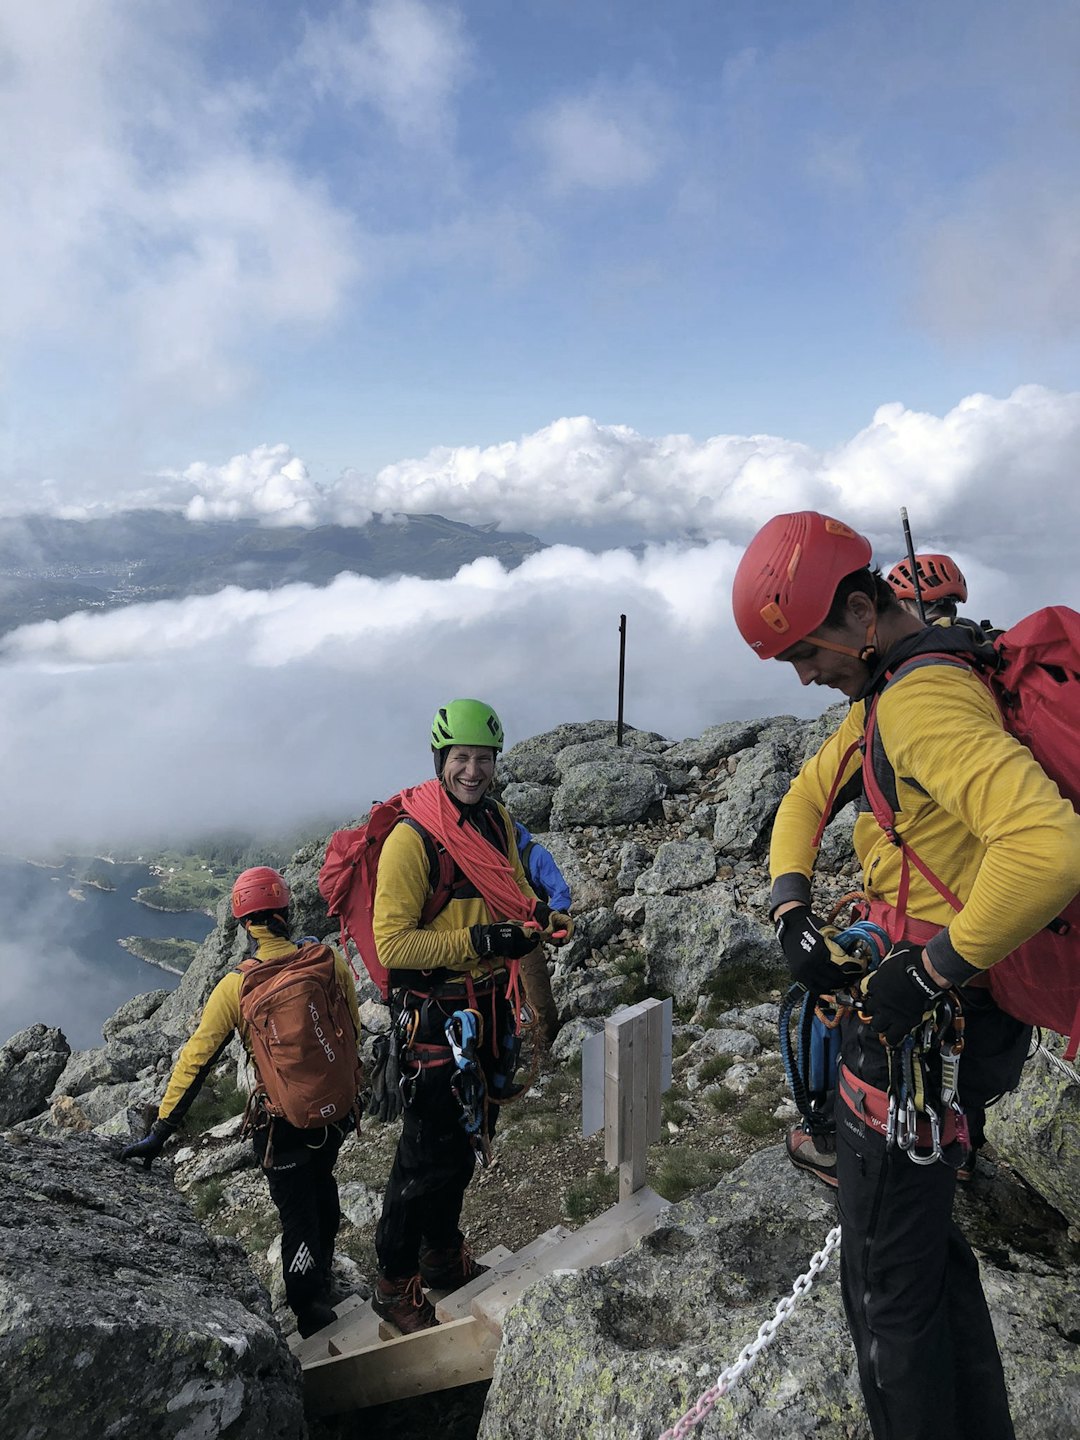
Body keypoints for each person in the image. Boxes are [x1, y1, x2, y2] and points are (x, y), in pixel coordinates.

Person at [732, 510, 1080, 1440]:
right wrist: (791, 907)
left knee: (886, 1289)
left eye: (805, 653)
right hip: (956, 1008)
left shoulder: (920, 704)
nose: (805, 676)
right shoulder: (895, 687)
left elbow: (1047, 851)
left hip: (939, 1022)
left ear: (858, 610)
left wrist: (923, 975)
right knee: (924, 1258)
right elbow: (808, 795)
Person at [370, 699, 571, 1334]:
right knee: (424, 1156)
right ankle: (393, 1282)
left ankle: (439, 1256)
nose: (473, 770)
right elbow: (392, 946)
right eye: (461, 758)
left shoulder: (495, 822)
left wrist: (538, 916)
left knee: (462, 1144)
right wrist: (481, 943)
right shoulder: (413, 840)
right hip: (435, 1021)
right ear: (440, 761)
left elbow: (510, 887)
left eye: (483, 759)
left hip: (483, 1012)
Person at [119, 866, 361, 1340]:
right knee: (324, 1195)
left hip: (281, 1124)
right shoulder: (328, 961)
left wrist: (161, 1131)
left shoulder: (237, 987)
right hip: (334, 1114)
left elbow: (196, 1059)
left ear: (243, 924)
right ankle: (322, 1286)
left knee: (298, 1218)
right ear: (287, 912)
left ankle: (309, 1309)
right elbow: (350, 1028)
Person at [514, 820, 573, 1047]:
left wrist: (553, 918)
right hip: (494, 931)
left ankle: (546, 1040)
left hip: (529, 933)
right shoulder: (487, 852)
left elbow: (559, 891)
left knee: (535, 986)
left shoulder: (535, 854)